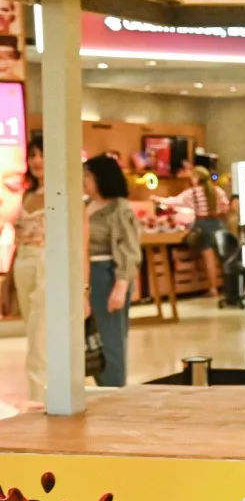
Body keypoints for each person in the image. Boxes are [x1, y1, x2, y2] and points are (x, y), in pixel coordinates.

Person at [84, 154, 142, 388]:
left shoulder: (119, 208)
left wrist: (121, 285)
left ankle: (114, 389)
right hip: (86, 274)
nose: (84, 180)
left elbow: (129, 248)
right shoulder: (86, 205)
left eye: (88, 175)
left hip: (106, 275)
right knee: (90, 337)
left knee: (110, 339)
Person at [10, 141, 46, 409]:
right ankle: (39, 396)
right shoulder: (27, 195)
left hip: (48, 261)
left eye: (42, 155)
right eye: (32, 155)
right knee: (32, 331)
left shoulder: (62, 193)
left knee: (40, 332)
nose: (37, 161)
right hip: (23, 260)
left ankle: (41, 398)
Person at [163, 161, 229, 298]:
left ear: (197, 178)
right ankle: (229, 287)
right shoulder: (218, 190)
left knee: (208, 258)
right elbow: (225, 208)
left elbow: (175, 201)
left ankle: (213, 289)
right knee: (223, 257)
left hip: (202, 225)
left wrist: (158, 199)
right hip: (218, 224)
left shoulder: (192, 192)